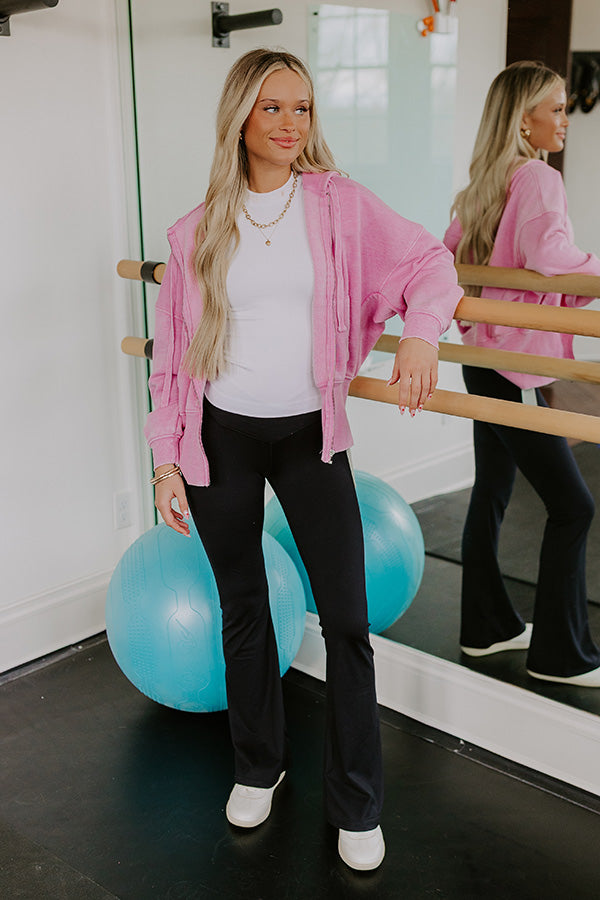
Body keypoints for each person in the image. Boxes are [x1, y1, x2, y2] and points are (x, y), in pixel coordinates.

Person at [144, 48, 463, 871]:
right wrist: (167, 460)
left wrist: (423, 335)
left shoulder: (337, 203)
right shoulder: (196, 229)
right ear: (240, 118)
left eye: (303, 108)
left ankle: (358, 802)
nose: (291, 124)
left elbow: (429, 262)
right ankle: (259, 766)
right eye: (273, 108)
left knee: (348, 621)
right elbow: (172, 361)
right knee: (244, 608)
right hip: (221, 434)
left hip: (308, 436)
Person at [444, 60, 600, 687]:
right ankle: (561, 656)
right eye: (555, 108)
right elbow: (549, 254)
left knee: (493, 489)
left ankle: (487, 628)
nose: (564, 120)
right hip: (515, 369)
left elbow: (451, 253)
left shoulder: (486, 183)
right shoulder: (537, 175)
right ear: (523, 118)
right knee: (573, 506)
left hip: (484, 363)